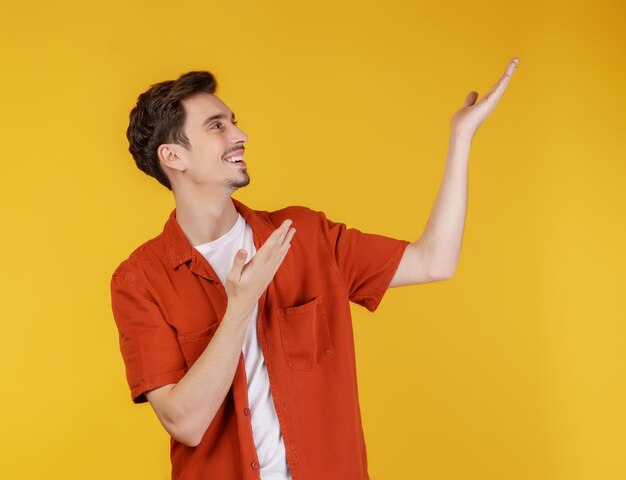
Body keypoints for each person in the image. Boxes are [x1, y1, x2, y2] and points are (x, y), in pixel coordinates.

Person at [110, 58, 519, 480]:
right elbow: (185, 424)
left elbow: (435, 260)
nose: (240, 135)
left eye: (233, 122)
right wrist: (240, 307)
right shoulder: (139, 281)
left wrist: (461, 138)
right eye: (217, 126)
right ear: (173, 156)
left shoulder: (304, 235)